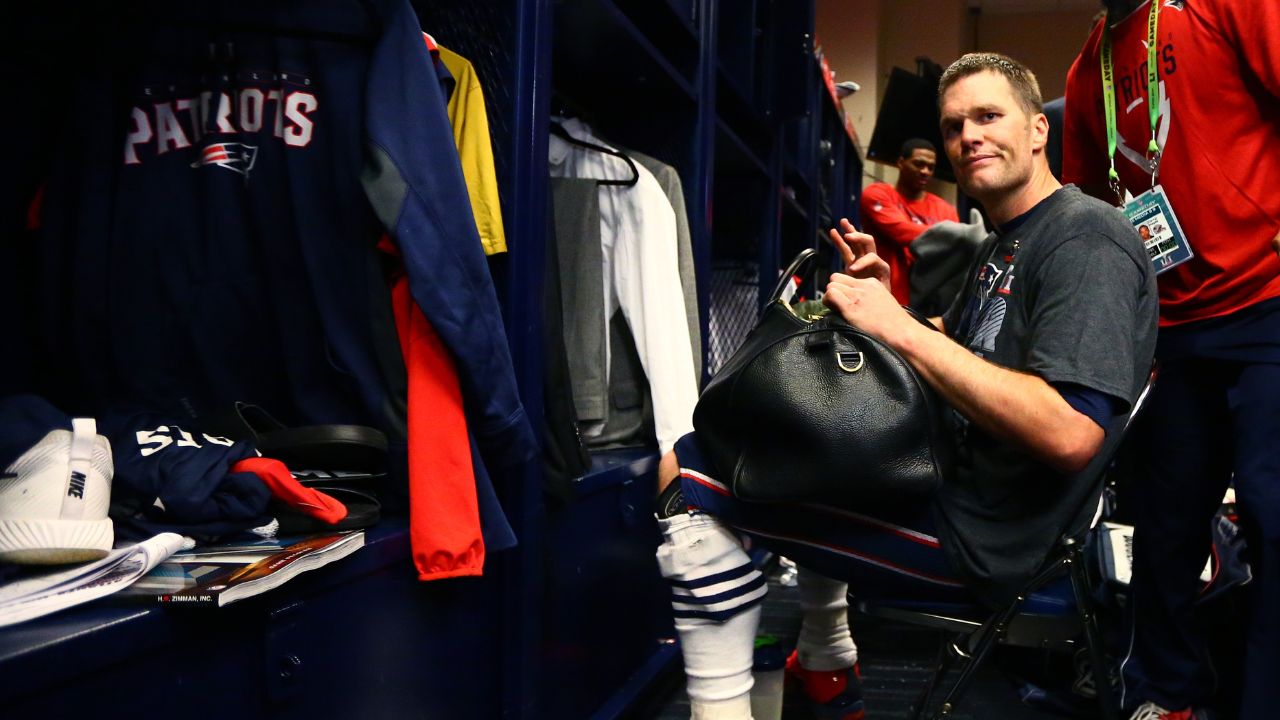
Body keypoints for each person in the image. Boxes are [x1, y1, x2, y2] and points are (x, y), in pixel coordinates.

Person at [654, 52, 1158, 720]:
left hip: (987, 540)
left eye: (987, 116)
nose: (967, 137)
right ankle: (828, 671)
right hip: (953, 490)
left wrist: (899, 330)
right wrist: (893, 304)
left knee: (686, 471)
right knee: (807, 439)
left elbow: (1070, 432)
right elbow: (975, 351)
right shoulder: (1004, 242)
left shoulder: (1085, 238)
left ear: (1038, 130)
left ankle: (729, 707)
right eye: (954, 126)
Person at [1062, 2, 1280, 719]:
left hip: (1269, 303)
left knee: (1272, 517)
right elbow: (1094, 213)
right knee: (1162, 529)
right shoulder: (1089, 62)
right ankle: (1168, 698)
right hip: (1171, 329)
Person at [859, 138, 959, 305]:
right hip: (882, 297)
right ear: (901, 162)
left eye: (930, 167)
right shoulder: (877, 194)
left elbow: (954, 253)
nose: (925, 171)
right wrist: (949, 235)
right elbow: (901, 232)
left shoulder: (945, 209)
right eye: (919, 164)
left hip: (929, 305)